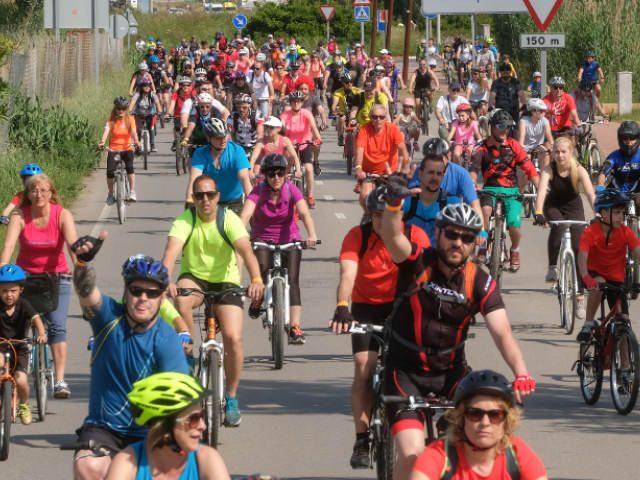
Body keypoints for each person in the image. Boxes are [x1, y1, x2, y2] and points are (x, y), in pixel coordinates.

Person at [379, 164, 535, 480]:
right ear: (438, 232)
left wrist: (521, 372)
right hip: (404, 373)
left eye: (466, 238)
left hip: (453, 376)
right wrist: (394, 204)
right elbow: (393, 236)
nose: (457, 242)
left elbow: (503, 333)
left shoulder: (480, 282)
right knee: (412, 456)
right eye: (451, 233)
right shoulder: (417, 261)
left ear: (474, 243)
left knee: (469, 449)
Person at [69, 238, 189, 480]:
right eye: (136, 290)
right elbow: (86, 293)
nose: (143, 297)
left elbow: (180, 399)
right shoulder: (107, 317)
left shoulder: (166, 340)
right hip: (103, 429)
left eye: (152, 292)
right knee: (89, 467)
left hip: (151, 432)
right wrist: (83, 263)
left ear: (162, 298)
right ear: (125, 291)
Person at [329, 185, 430, 468]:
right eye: (375, 215)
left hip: (404, 308)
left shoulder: (415, 235)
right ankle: (362, 439)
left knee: (418, 370)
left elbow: (429, 276)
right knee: (364, 370)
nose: (380, 221)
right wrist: (342, 306)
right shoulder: (357, 236)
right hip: (367, 308)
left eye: (386, 214)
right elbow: (348, 274)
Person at [162, 173, 263, 426]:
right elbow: (170, 254)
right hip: (194, 278)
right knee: (181, 300)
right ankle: (187, 354)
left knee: (233, 337)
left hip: (226, 280)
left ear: (218, 197)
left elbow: (246, 252)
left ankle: (232, 398)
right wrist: (166, 280)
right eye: (199, 195)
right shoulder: (185, 221)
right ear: (193, 198)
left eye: (210, 195)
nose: (205, 199)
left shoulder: (229, 220)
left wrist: (257, 279)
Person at [411, 370, 548, 480]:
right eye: (475, 414)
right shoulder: (440, 454)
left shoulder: (516, 455)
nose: (485, 423)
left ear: (507, 420)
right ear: (461, 417)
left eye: (495, 415)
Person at [240, 154, 317, 344]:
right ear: (265, 176)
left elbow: (305, 214)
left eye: (281, 173)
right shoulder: (258, 191)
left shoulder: (291, 190)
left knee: (293, 281)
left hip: (289, 238)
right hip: (262, 238)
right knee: (262, 270)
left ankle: (294, 327)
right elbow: (245, 215)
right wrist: (239, 235)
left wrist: (312, 235)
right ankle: (258, 298)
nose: (277, 178)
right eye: (272, 174)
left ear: (285, 174)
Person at [106, 373, 231, 480]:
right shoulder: (127, 463)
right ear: (165, 425)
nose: (202, 426)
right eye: (193, 419)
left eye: (201, 416)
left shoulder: (207, 459)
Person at [470, 109, 540, 270]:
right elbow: (473, 170)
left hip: (512, 191)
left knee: (515, 223)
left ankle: (514, 250)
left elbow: (529, 169)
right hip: (489, 189)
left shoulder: (514, 146)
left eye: (508, 127)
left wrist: (540, 188)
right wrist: (473, 183)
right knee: (485, 211)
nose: (505, 130)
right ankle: (482, 245)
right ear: (492, 127)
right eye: (501, 126)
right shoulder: (481, 147)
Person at [535, 136, 595, 320]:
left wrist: (599, 215)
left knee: (580, 247)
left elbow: (591, 195)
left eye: (563, 152)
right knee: (557, 228)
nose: (560, 155)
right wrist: (538, 212)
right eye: (556, 152)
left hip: (573, 205)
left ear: (571, 153)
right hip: (553, 205)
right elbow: (541, 192)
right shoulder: (548, 170)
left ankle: (579, 297)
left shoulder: (578, 169)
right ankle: (552, 266)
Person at [577, 189, 640, 342]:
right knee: (599, 283)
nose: (621, 216)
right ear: (603, 214)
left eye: (622, 212)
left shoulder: (625, 232)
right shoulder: (591, 232)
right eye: (617, 213)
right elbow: (582, 256)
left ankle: (625, 364)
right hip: (593, 275)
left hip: (616, 281)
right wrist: (585, 276)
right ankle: (588, 323)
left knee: (623, 323)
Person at [409, 139, 486, 239]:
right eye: (430, 157)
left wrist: (480, 229)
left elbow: (474, 204)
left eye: (439, 158)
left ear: (449, 157)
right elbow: (409, 200)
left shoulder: (462, 174)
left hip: (450, 219)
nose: (434, 161)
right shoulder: (420, 171)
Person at [0, 264, 47, 425]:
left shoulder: (24, 305)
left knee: (21, 381)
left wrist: (41, 333)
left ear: (20, 290)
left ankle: (23, 405)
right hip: (1, 346)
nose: (8, 295)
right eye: (4, 290)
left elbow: (36, 319)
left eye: (13, 290)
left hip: (20, 347)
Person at [186, 117, 252, 216]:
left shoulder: (237, 151)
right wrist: (189, 202)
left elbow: (244, 179)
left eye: (225, 136)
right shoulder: (200, 154)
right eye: (218, 137)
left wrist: (253, 205)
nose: (223, 140)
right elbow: (194, 180)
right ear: (208, 138)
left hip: (234, 201)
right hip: (209, 201)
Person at [355, 103, 408, 210]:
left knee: (398, 202)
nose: (378, 120)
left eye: (381, 117)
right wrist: (359, 168)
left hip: (390, 173)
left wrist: (405, 168)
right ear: (370, 118)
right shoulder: (364, 130)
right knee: (365, 196)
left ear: (386, 118)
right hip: (370, 173)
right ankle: (368, 217)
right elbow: (359, 151)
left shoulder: (393, 129)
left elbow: (402, 149)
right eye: (375, 117)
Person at [402, 154, 461, 246]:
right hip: (408, 257)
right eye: (430, 172)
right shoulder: (406, 199)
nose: (435, 178)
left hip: (437, 258)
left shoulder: (452, 203)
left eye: (439, 174)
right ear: (420, 174)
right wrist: (392, 199)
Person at [280, 91, 322, 208]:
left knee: (308, 168)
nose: (296, 104)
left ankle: (310, 196)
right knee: (288, 160)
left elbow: (314, 128)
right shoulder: (285, 115)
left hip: (305, 143)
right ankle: (287, 185)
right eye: (294, 101)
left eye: (299, 101)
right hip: (290, 145)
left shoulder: (307, 114)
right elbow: (281, 128)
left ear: (302, 102)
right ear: (290, 103)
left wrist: (317, 139)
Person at [98, 97, 142, 203]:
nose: (121, 111)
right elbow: (105, 133)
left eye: (123, 108)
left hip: (127, 148)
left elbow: (133, 132)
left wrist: (136, 141)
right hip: (113, 149)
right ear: (115, 109)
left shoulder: (130, 119)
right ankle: (111, 193)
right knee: (110, 172)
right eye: (118, 108)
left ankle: (132, 192)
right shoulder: (110, 121)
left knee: (130, 168)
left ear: (126, 109)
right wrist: (102, 142)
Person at [597, 121, 640, 201]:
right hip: (616, 193)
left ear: (637, 139)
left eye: (632, 138)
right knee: (605, 208)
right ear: (620, 139)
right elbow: (603, 173)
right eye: (625, 138)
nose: (629, 141)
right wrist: (600, 185)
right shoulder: (614, 156)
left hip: (637, 193)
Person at [518, 98, 554, 171]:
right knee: (526, 163)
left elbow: (548, 135)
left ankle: (543, 178)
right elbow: (521, 135)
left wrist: (553, 146)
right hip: (525, 146)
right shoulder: (524, 121)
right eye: (541, 111)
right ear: (533, 111)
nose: (543, 113)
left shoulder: (545, 121)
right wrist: (520, 148)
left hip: (537, 145)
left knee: (546, 155)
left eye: (544, 111)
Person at [543, 77, 582, 143]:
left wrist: (579, 125)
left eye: (560, 87)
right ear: (551, 89)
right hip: (550, 129)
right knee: (549, 150)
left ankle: (572, 151)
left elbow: (574, 114)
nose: (558, 90)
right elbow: (541, 115)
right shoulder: (545, 100)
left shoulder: (568, 98)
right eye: (555, 87)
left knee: (569, 141)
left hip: (565, 128)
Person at [488, 63, 526, 129]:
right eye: (503, 69)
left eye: (507, 69)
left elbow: (521, 94)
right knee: (500, 129)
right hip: (500, 111)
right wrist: (490, 106)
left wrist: (524, 104)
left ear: (510, 71)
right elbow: (492, 96)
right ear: (500, 72)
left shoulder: (516, 82)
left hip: (514, 110)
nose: (505, 71)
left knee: (516, 129)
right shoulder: (496, 83)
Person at [129, 78, 162, 154]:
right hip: (139, 114)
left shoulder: (152, 94)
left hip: (150, 114)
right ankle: (138, 145)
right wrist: (130, 111)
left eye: (149, 85)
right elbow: (133, 102)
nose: (147, 87)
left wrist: (159, 111)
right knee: (138, 130)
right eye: (145, 85)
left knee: (151, 127)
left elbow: (157, 102)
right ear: (141, 86)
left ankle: (152, 144)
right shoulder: (137, 94)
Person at [227, 93, 265, 158]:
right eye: (238, 107)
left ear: (249, 106)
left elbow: (260, 135)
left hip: (254, 146)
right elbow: (226, 132)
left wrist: (256, 149)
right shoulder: (232, 116)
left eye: (244, 107)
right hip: (239, 147)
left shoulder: (257, 115)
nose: (241, 109)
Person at [332, 73, 362, 147]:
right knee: (341, 118)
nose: (349, 84)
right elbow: (334, 104)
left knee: (358, 126)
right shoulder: (338, 92)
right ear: (343, 83)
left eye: (351, 82)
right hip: (344, 112)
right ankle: (341, 136)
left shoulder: (357, 90)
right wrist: (334, 110)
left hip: (355, 114)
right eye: (346, 82)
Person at [167, 77, 197, 152]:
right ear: (180, 86)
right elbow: (172, 104)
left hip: (191, 116)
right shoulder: (175, 94)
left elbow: (198, 104)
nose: (186, 87)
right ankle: (176, 141)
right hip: (178, 115)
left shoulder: (193, 94)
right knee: (176, 128)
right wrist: (168, 113)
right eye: (184, 85)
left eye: (188, 85)